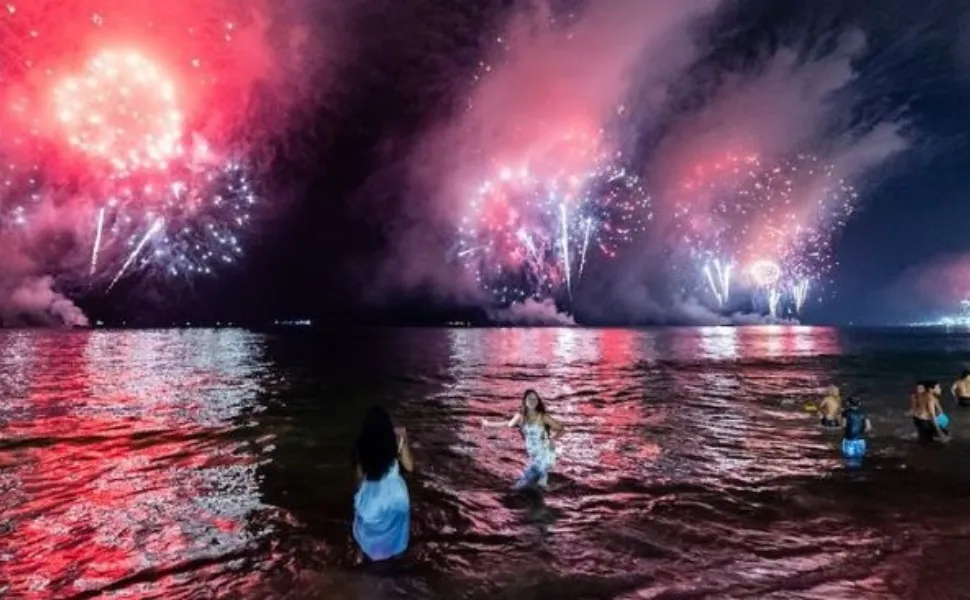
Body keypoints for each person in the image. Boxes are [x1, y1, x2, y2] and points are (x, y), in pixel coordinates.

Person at [352, 406, 414, 562]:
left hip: (371, 499)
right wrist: (404, 440)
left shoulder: (361, 447)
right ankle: (396, 557)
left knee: (366, 531)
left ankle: (363, 554)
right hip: (396, 496)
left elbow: (358, 480)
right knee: (396, 534)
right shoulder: (395, 443)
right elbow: (410, 467)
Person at [482, 389, 565, 489]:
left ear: (538, 401)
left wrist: (552, 438)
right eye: (530, 399)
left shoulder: (543, 417)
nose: (532, 401)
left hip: (544, 452)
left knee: (523, 484)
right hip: (533, 454)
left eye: (535, 399)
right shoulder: (520, 417)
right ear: (525, 401)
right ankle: (541, 487)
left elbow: (561, 430)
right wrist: (488, 424)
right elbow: (507, 424)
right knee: (536, 483)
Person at [840, 396, 872, 466]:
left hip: (849, 440)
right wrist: (861, 430)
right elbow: (869, 427)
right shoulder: (864, 413)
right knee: (859, 460)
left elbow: (843, 425)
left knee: (848, 460)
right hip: (860, 440)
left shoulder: (846, 413)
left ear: (848, 403)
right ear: (859, 403)